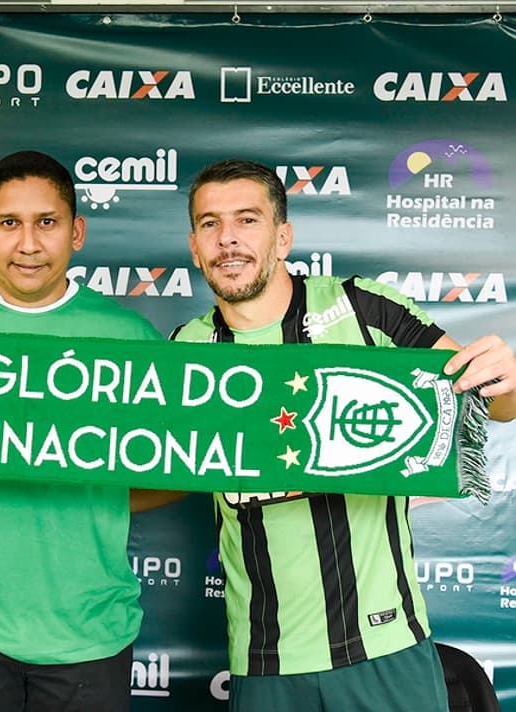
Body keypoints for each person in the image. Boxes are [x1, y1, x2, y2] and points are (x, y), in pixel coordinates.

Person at [170, 159, 516, 712]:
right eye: (210, 224)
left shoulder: (362, 308)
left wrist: (505, 376)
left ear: (283, 236)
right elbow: (151, 466)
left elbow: (495, 404)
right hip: (264, 661)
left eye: (247, 219)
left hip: (385, 649)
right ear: (194, 246)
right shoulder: (184, 349)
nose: (228, 238)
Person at [0, 150, 162, 712]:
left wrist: (93, 495)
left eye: (47, 223)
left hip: (89, 625)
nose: (28, 243)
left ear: (77, 232)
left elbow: (185, 462)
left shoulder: (129, 338)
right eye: (9, 223)